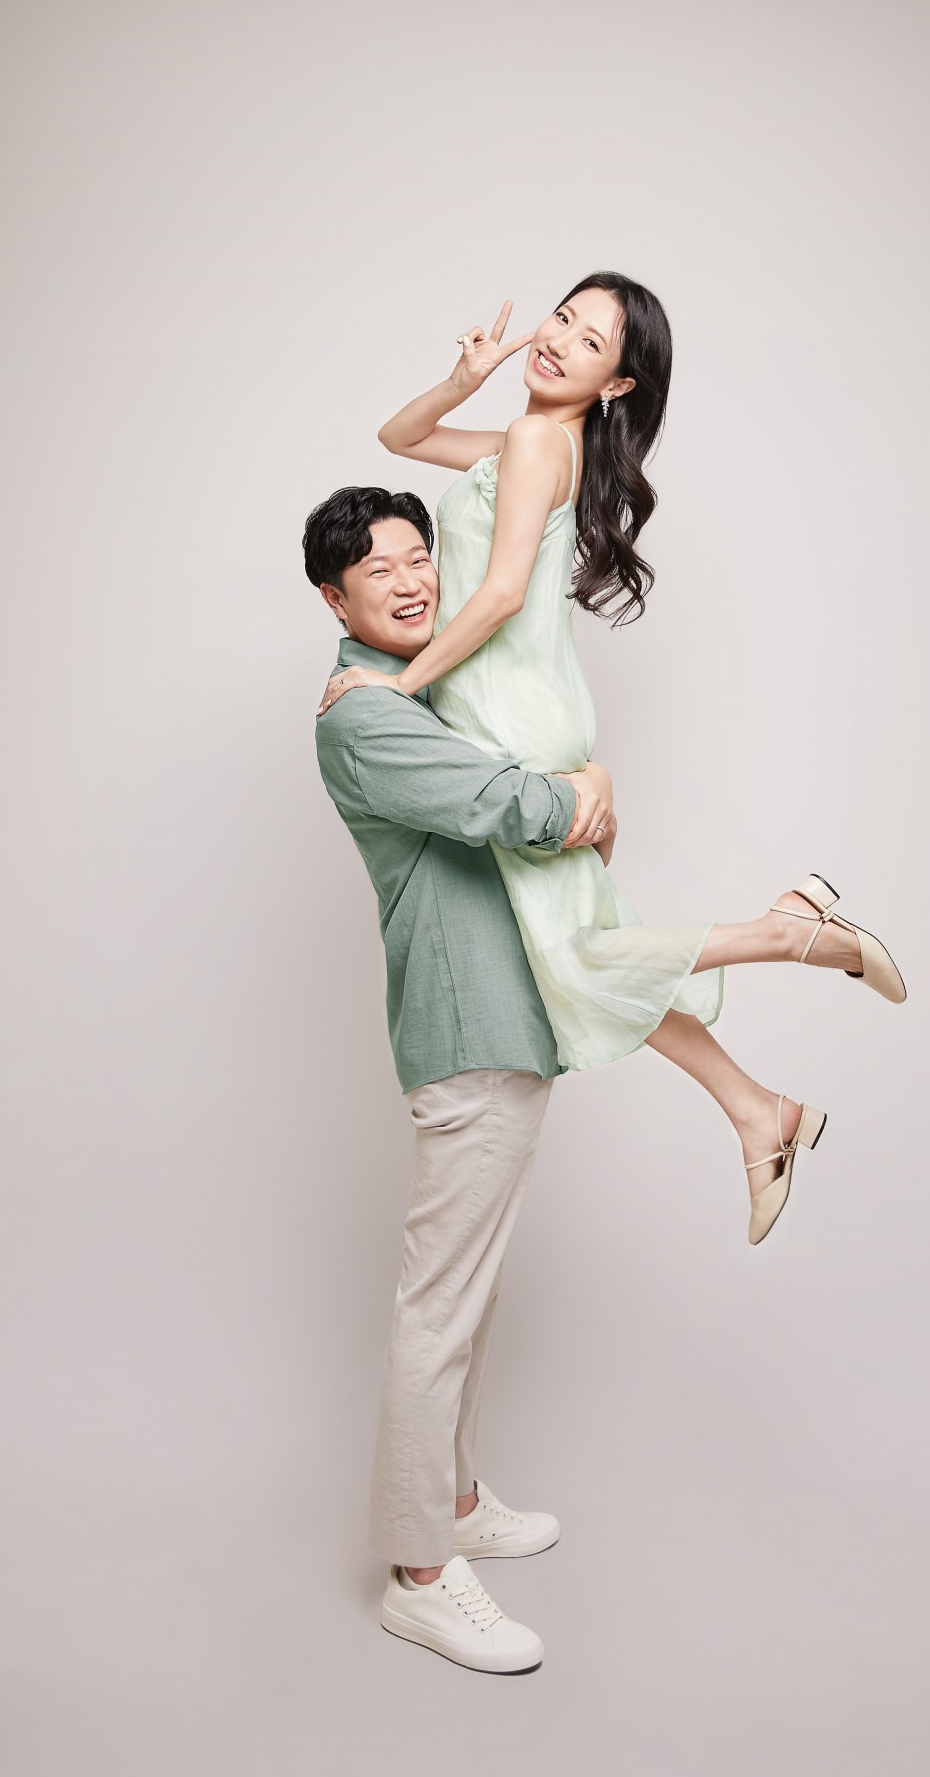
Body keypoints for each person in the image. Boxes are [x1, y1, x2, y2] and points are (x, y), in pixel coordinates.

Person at [319, 272, 907, 1249]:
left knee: (580, 956)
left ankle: (791, 932)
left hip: (509, 713)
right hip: (515, 707)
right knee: (583, 958)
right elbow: (401, 437)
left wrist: (397, 689)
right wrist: (465, 377)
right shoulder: (534, 439)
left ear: (618, 384)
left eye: (591, 342)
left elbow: (501, 593)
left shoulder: (540, 443)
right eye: (562, 318)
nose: (558, 341)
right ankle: (759, 1111)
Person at [307, 484, 616, 1675]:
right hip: (465, 1029)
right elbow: (506, 803)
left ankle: (458, 1499)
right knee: (438, 1310)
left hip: (507, 1021)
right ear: (333, 600)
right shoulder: (365, 716)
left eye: (417, 556)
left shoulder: (421, 688)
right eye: (377, 570)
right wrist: (582, 793)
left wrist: (569, 783)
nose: (409, 579)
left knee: (469, 1299)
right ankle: (420, 1574)